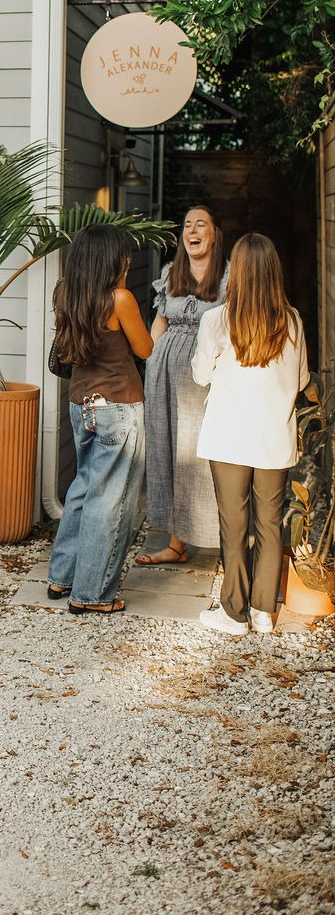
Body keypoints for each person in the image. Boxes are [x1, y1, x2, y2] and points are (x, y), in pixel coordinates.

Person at [192, 233, 309, 637]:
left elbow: (200, 375)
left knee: (234, 524)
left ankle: (233, 612)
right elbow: (301, 380)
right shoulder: (292, 321)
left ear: (237, 272)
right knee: (271, 524)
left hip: (228, 438)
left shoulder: (216, 321)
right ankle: (262, 612)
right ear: (274, 272)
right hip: (274, 438)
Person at [47, 225, 154, 615]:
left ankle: (62, 577)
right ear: (112, 259)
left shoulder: (65, 293)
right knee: (110, 500)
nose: (128, 260)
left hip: (81, 404)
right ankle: (91, 594)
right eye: (124, 254)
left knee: (83, 489)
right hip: (118, 406)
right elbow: (145, 348)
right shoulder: (119, 299)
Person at [137, 206, 227, 565]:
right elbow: (160, 322)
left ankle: (222, 540)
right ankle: (176, 543)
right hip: (163, 373)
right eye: (188, 225)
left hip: (205, 376)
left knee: (203, 455)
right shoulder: (170, 273)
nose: (192, 230)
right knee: (169, 450)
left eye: (201, 224)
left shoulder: (229, 277)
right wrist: (149, 363)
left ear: (214, 235)